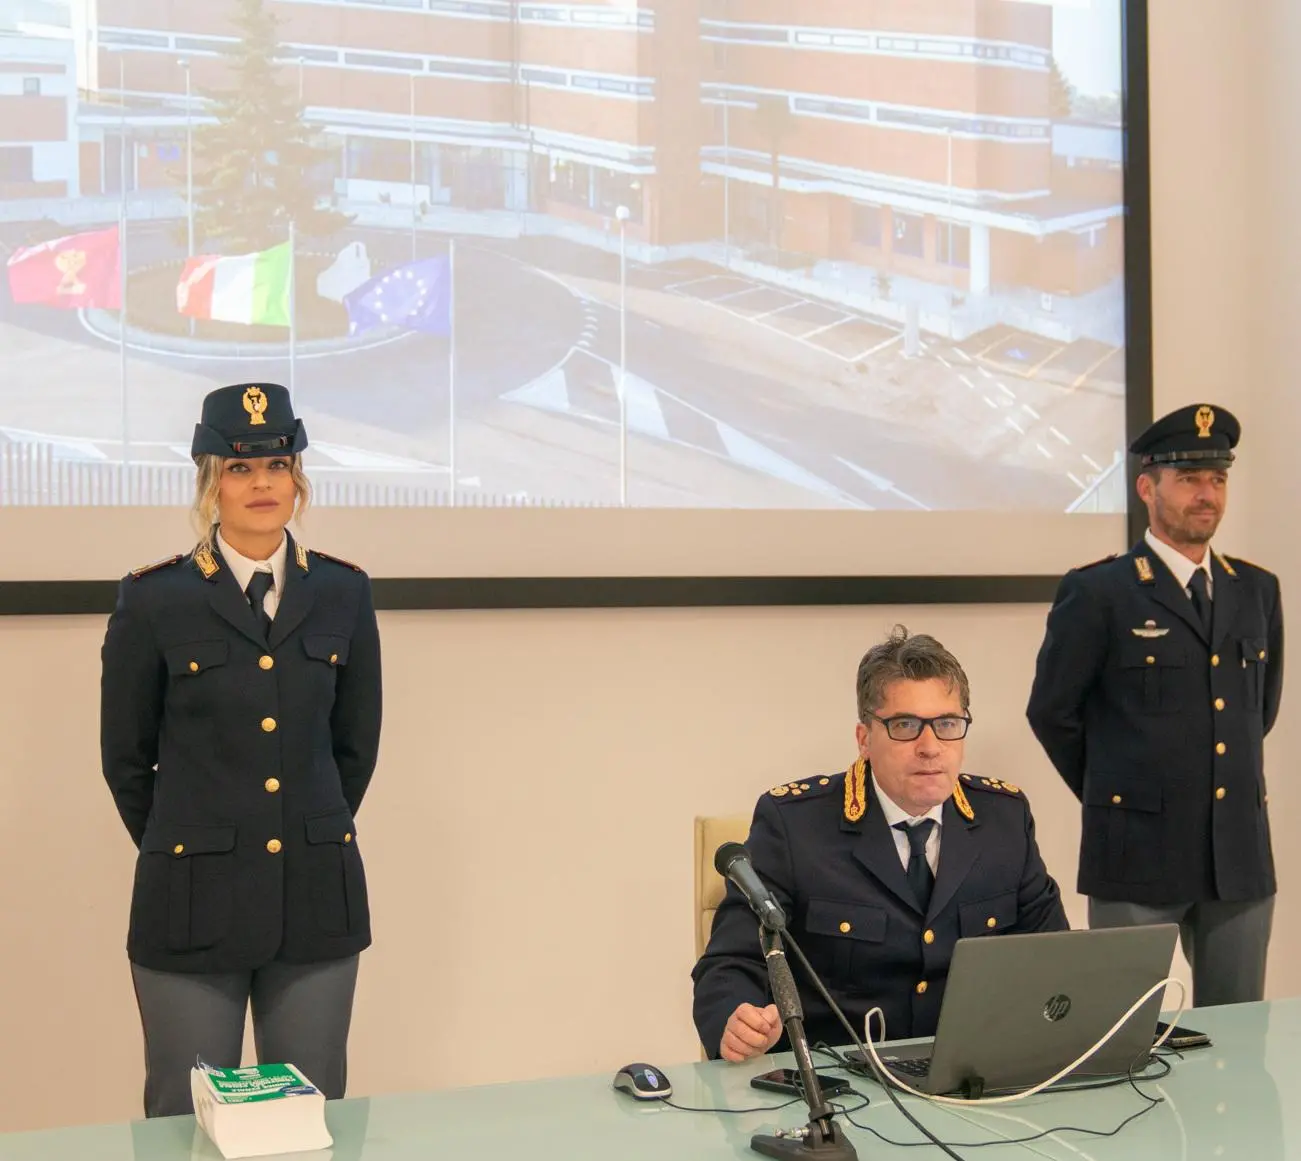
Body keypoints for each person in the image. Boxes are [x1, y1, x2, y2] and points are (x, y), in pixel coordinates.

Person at [99, 382, 383, 1117]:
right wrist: (191, 842)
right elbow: (126, 759)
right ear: (209, 482)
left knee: (310, 1113)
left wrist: (295, 833)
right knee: (184, 1116)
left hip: (315, 899)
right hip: (190, 904)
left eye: (277, 464)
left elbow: (354, 747)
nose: (261, 483)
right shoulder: (155, 598)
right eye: (239, 467)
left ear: (298, 480)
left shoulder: (343, 593)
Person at [692, 627, 1067, 1062]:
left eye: (947, 724)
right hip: (839, 1084)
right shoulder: (795, 826)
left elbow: (1055, 961)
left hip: (975, 1075)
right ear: (864, 739)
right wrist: (735, 1021)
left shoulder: (1004, 819)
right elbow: (731, 963)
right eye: (905, 725)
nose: (931, 748)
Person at [1027, 402, 1283, 1007]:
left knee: (1239, 1041)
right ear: (1148, 487)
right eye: (1189, 478)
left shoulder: (1257, 590)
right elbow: (1052, 711)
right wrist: (1118, 789)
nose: (1207, 494)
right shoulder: (1100, 591)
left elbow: (1257, 711)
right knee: (1122, 1038)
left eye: (1217, 479)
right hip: (1135, 852)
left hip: (1238, 857)